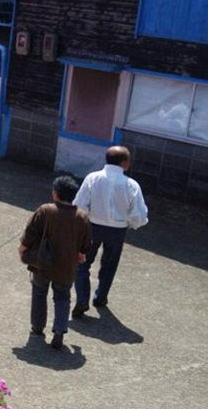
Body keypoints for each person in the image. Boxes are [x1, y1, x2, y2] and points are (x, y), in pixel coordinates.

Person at [71, 145, 148, 318]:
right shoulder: (132, 185)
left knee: (82, 262)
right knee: (109, 264)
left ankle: (82, 299)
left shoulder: (93, 178)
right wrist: (131, 224)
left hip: (92, 226)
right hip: (117, 230)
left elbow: (80, 204)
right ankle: (100, 297)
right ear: (125, 162)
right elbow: (139, 214)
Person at [19, 175, 92, 349]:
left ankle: (37, 327)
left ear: (55, 194)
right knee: (62, 297)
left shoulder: (45, 211)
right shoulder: (82, 217)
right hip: (67, 265)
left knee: (39, 292)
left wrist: (23, 249)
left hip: (42, 262)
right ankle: (59, 330)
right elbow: (85, 245)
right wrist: (81, 254)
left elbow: (30, 233)